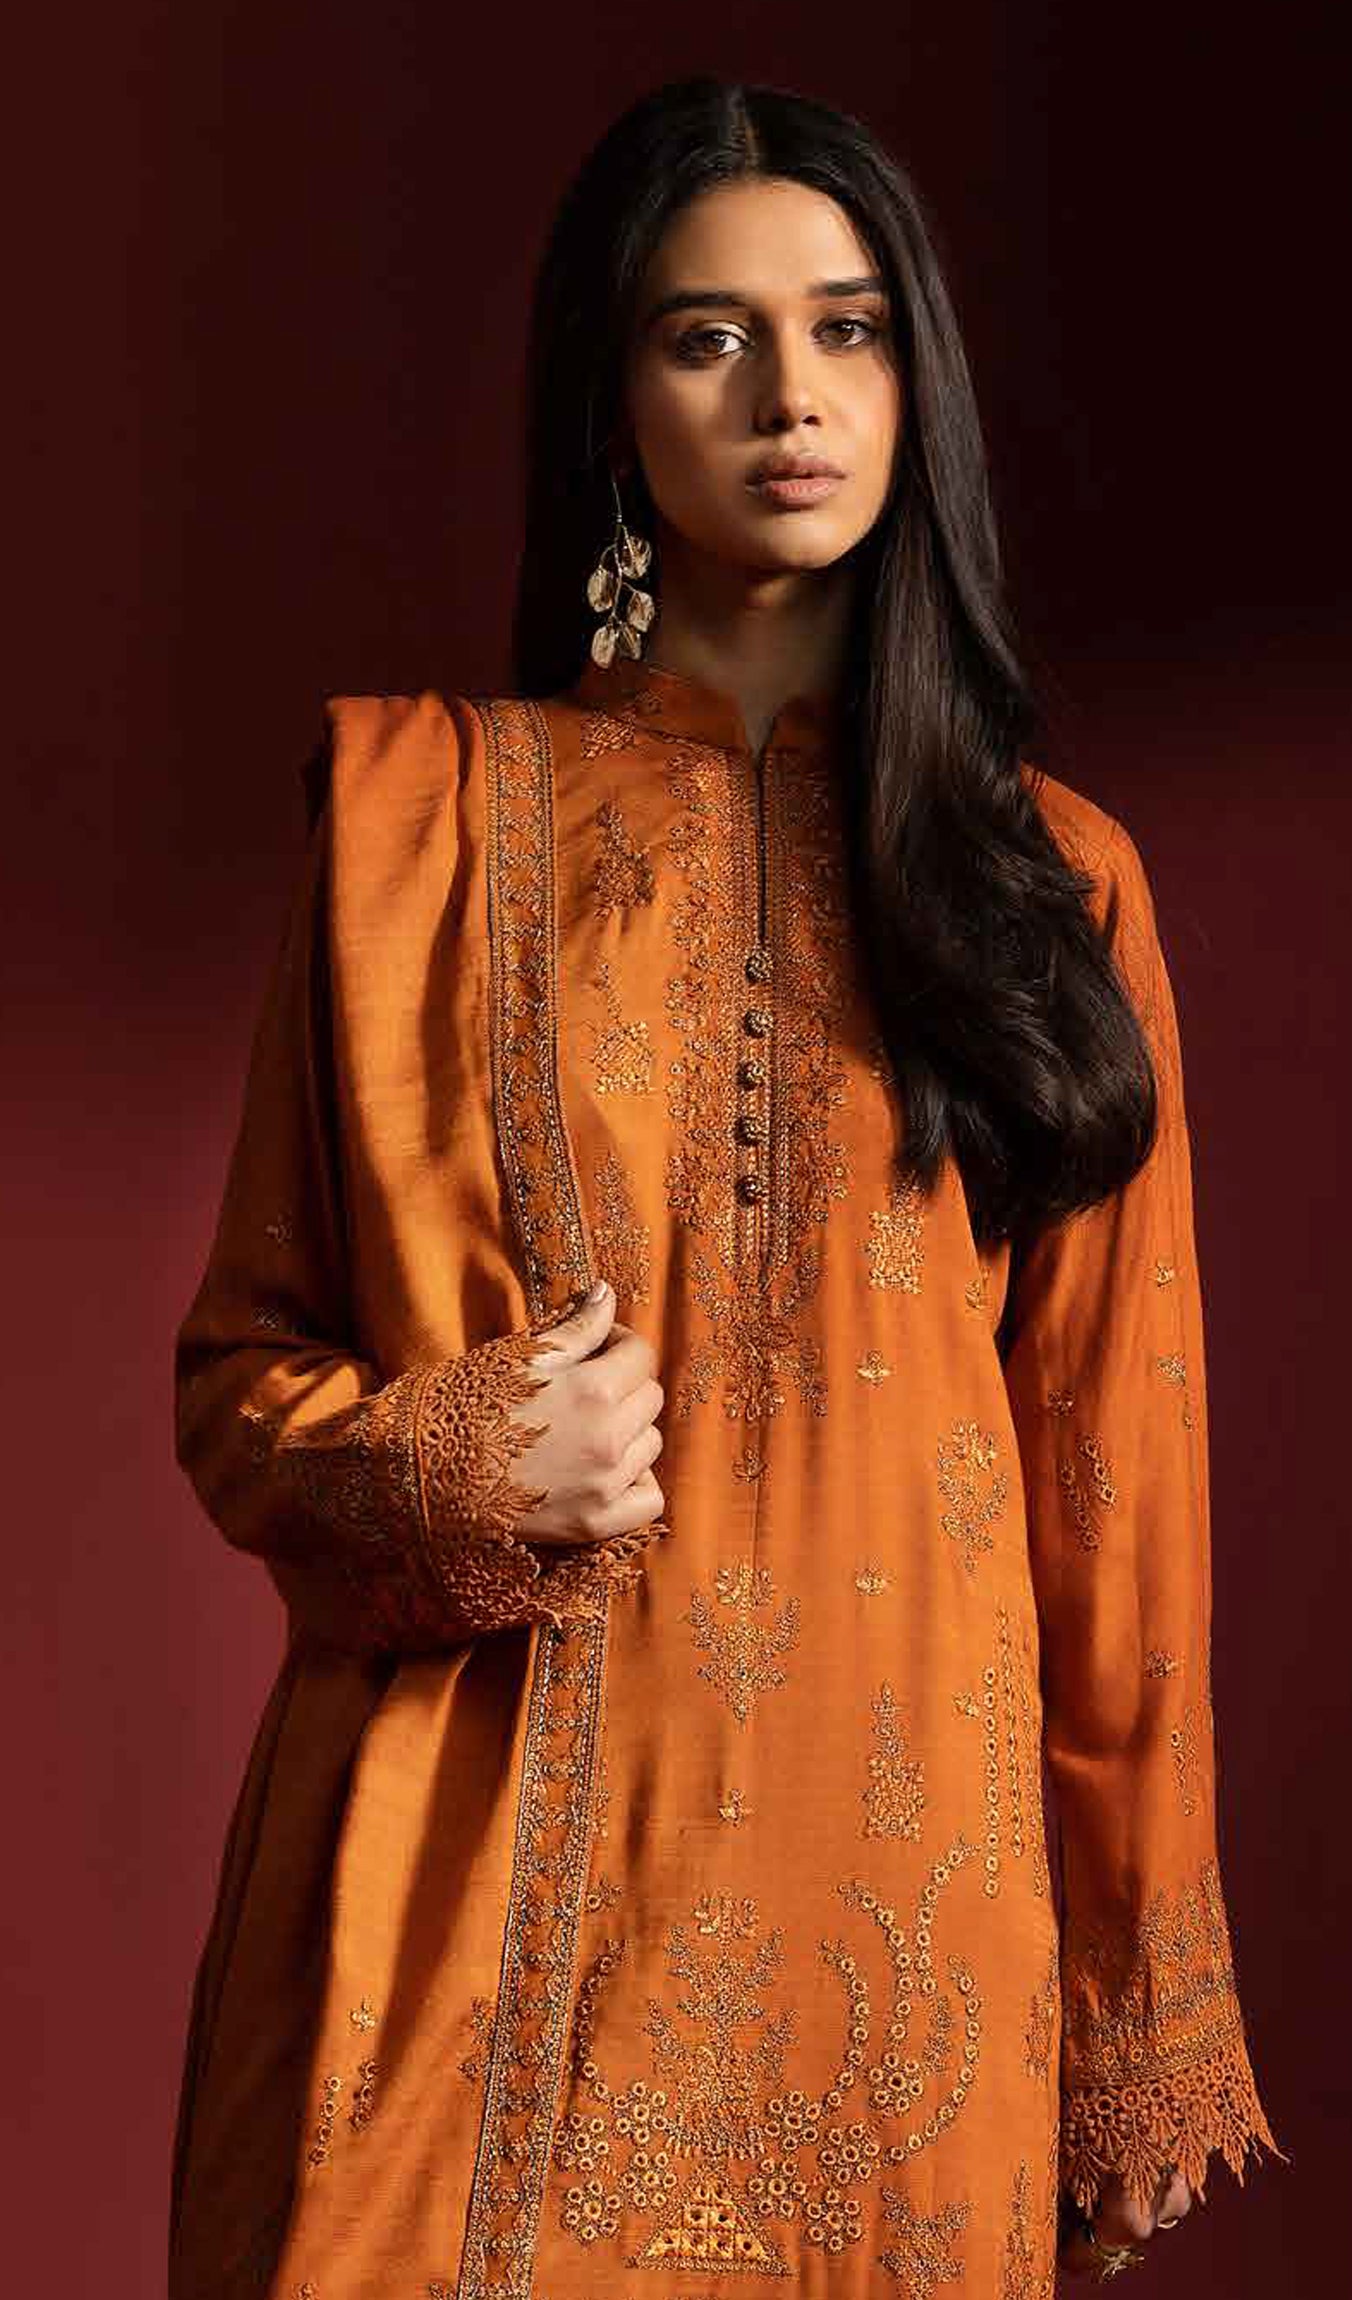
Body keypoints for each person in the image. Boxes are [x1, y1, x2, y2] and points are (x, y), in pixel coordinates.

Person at [168, 74, 1286, 2299]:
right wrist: (461, 1460)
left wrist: (1136, 1996)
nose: (794, 395)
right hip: (488, 1907)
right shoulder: (424, 831)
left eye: (849, 329)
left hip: (905, 1966)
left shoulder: (1054, 884)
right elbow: (238, 1381)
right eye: (710, 337)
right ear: (613, 401)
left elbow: (1119, 1488)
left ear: (914, 380)